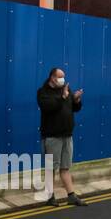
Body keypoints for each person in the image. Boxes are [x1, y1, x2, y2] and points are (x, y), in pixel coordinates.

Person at [36, 66, 87, 206]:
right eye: (60, 77)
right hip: (52, 136)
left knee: (65, 167)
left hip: (67, 135)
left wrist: (76, 100)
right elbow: (48, 107)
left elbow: (74, 108)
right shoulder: (43, 92)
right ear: (52, 78)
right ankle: (50, 197)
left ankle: (71, 195)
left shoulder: (66, 89)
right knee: (51, 168)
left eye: (63, 77)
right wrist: (62, 97)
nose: (63, 80)